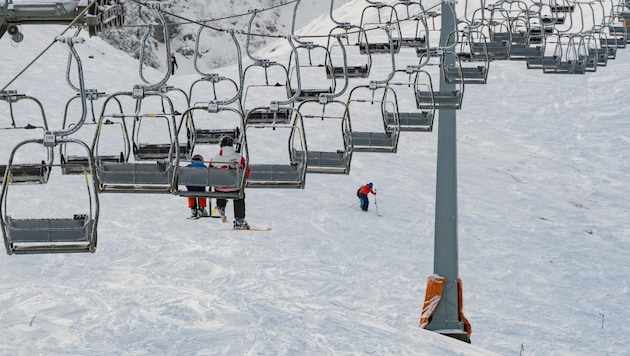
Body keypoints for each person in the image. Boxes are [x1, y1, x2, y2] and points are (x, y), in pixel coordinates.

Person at [209, 136, 251, 229]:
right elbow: (246, 171)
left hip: (220, 188)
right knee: (239, 196)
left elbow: (209, 173)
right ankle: (239, 219)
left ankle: (220, 207)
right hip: (234, 187)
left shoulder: (215, 158)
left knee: (220, 187)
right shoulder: (239, 157)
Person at [186, 153, 209, 218]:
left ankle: (193, 208)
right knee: (202, 192)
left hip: (191, 187)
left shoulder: (188, 166)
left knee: (190, 193)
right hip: (200, 186)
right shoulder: (204, 167)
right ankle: (201, 208)